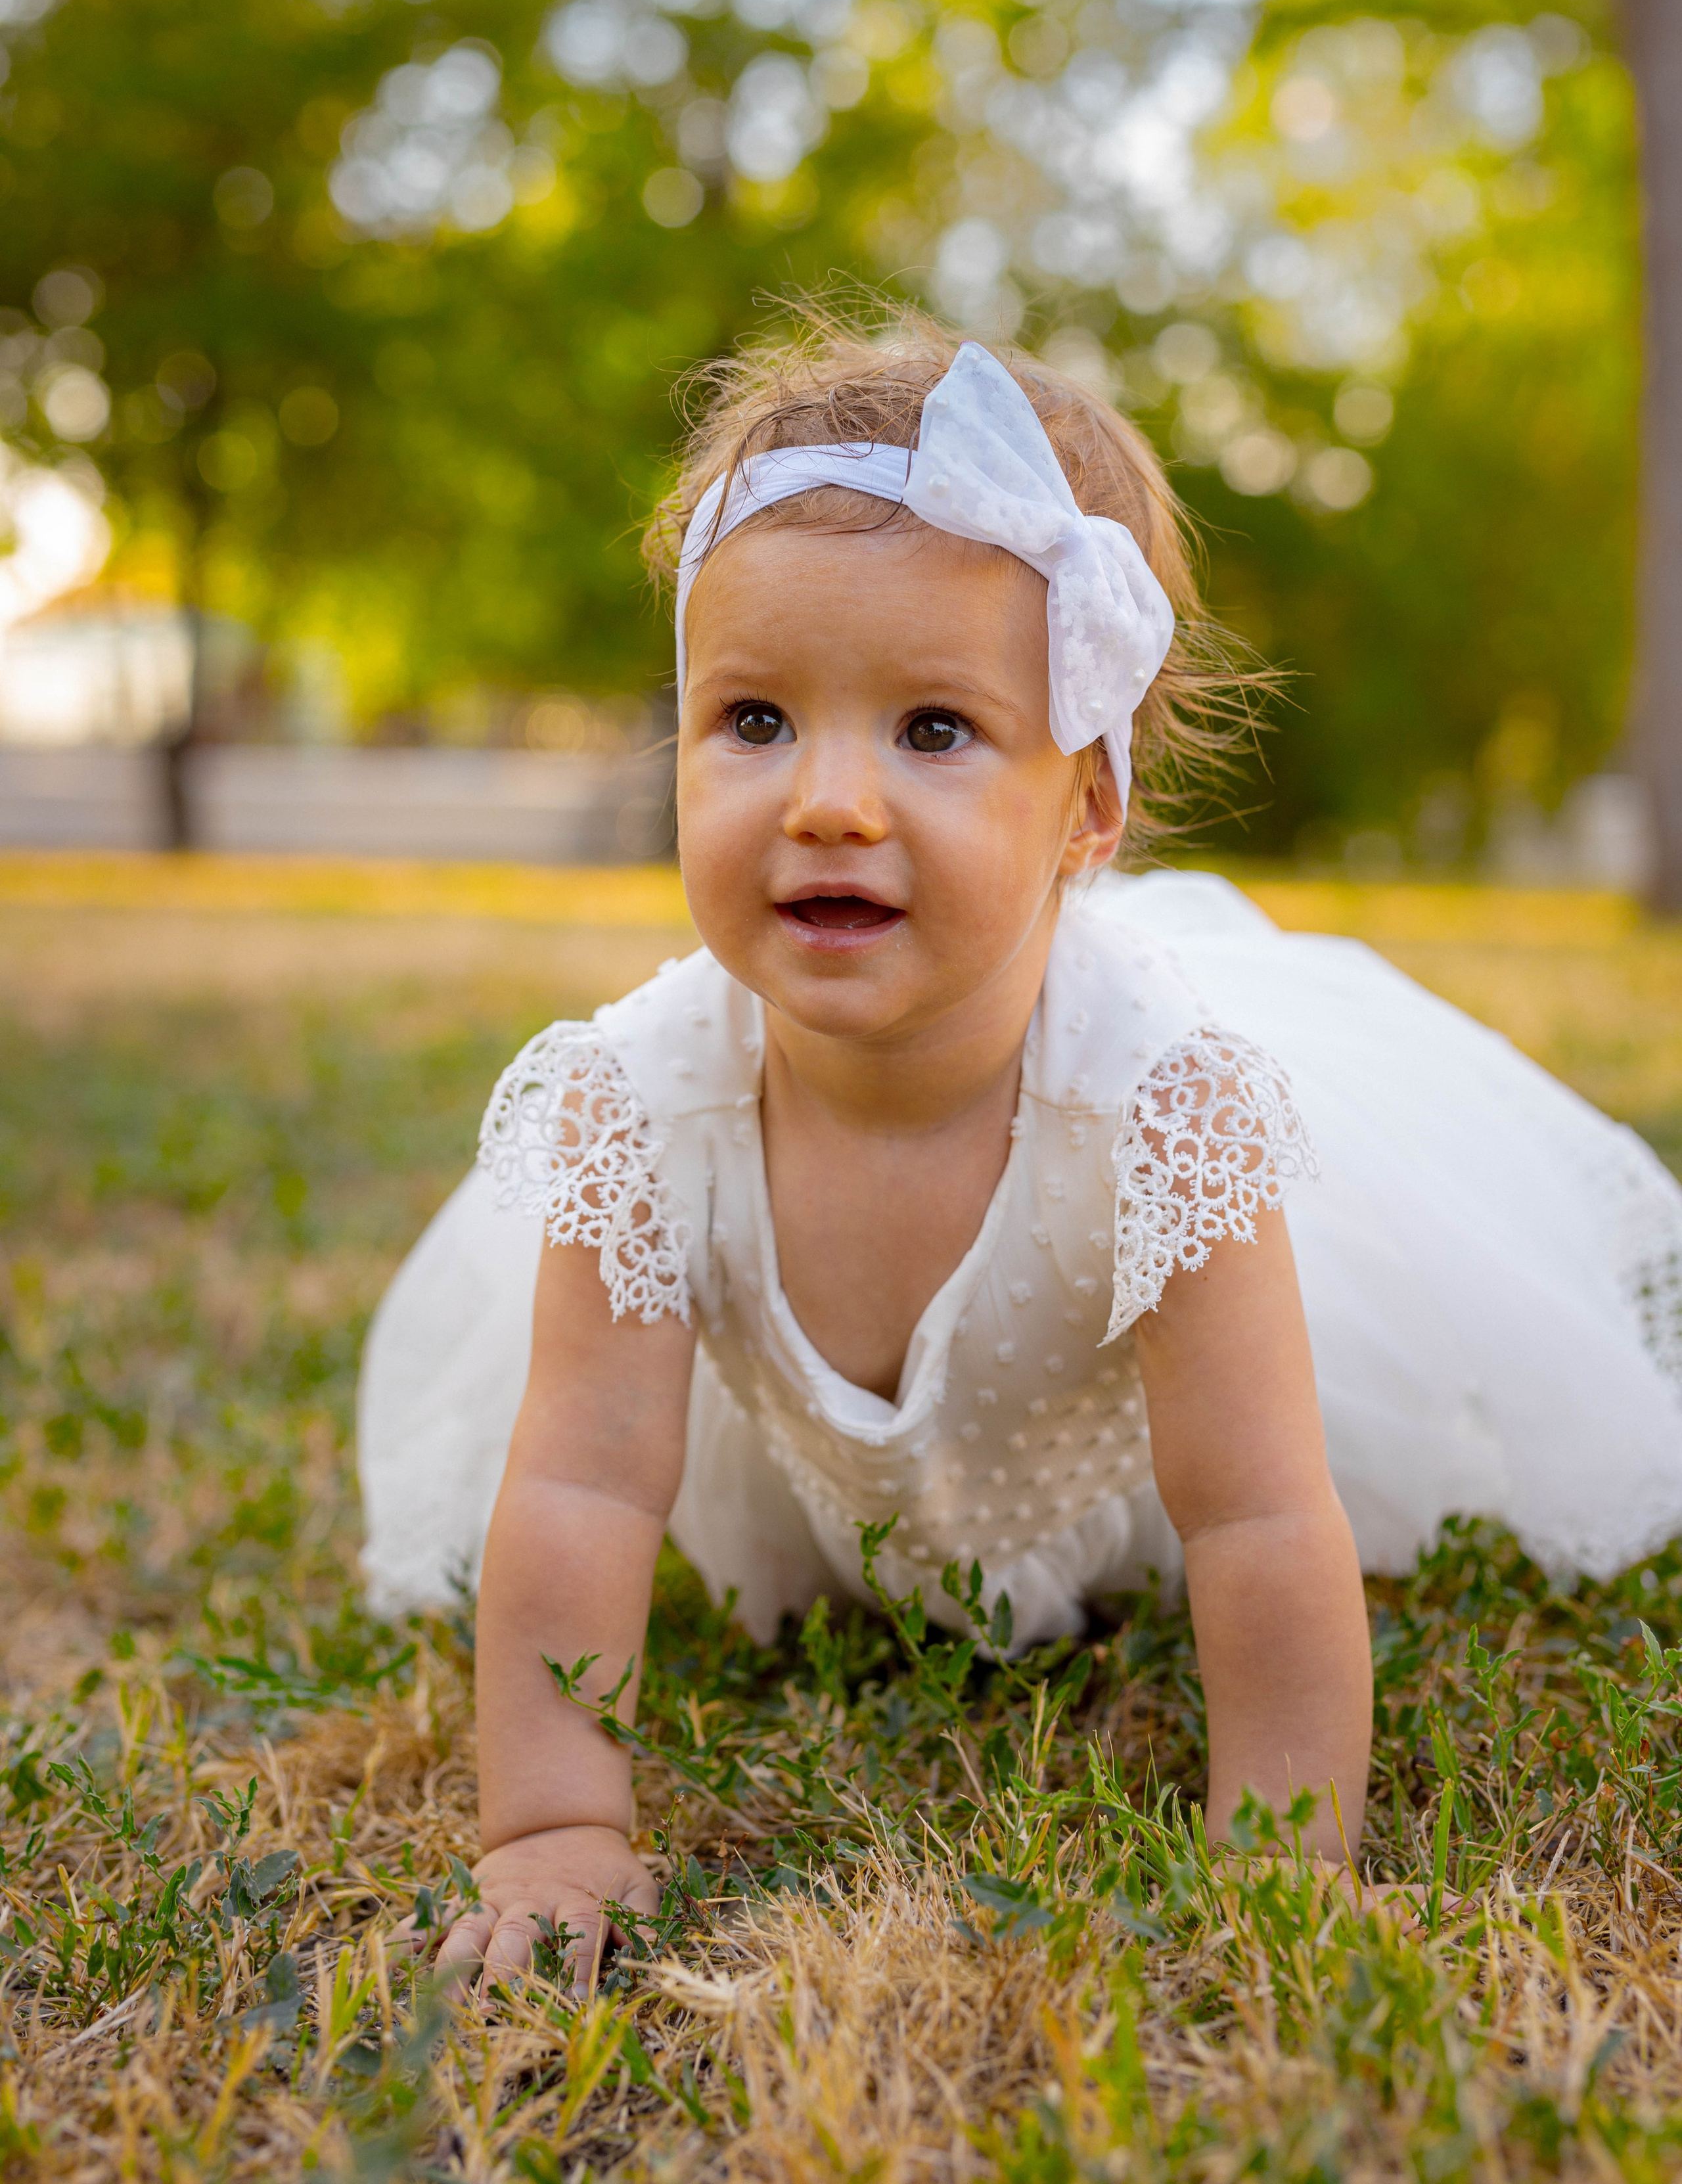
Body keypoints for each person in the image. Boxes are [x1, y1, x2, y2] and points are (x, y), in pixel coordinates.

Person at [359, 315, 1682, 1985]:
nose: (826, 801)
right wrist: (554, 1830)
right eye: (754, 720)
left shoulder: (1163, 1109)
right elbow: (579, 1480)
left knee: (1290, 1476)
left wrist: (1286, 1867)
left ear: (1085, 809)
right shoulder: (640, 1103)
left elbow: (1260, 1518)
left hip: (1119, 1487)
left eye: (931, 731)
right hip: (799, 1511)